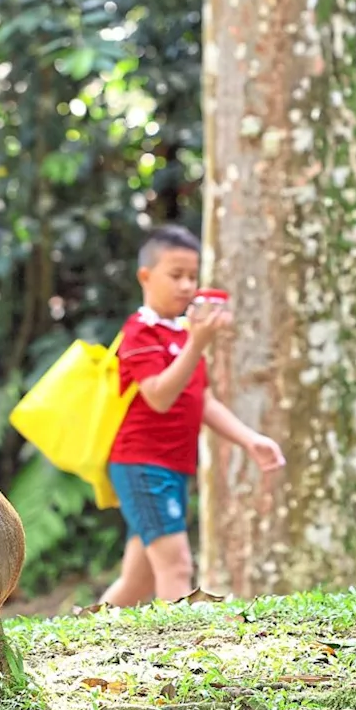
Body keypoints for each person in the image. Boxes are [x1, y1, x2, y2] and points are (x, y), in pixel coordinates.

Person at [98, 224, 286, 606]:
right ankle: (182, 655)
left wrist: (251, 440)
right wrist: (198, 344)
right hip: (142, 465)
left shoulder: (183, 334)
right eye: (176, 275)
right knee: (178, 566)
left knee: (139, 581)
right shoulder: (140, 332)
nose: (186, 286)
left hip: (172, 465)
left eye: (192, 277)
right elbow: (159, 397)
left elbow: (203, 400)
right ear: (146, 277)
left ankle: (79, 637)